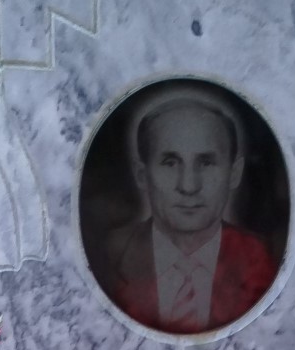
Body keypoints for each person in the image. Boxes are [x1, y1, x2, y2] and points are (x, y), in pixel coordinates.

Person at [97, 85, 278, 333]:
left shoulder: (261, 260)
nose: (189, 186)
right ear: (142, 175)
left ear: (234, 174)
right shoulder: (109, 257)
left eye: (206, 162)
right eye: (170, 163)